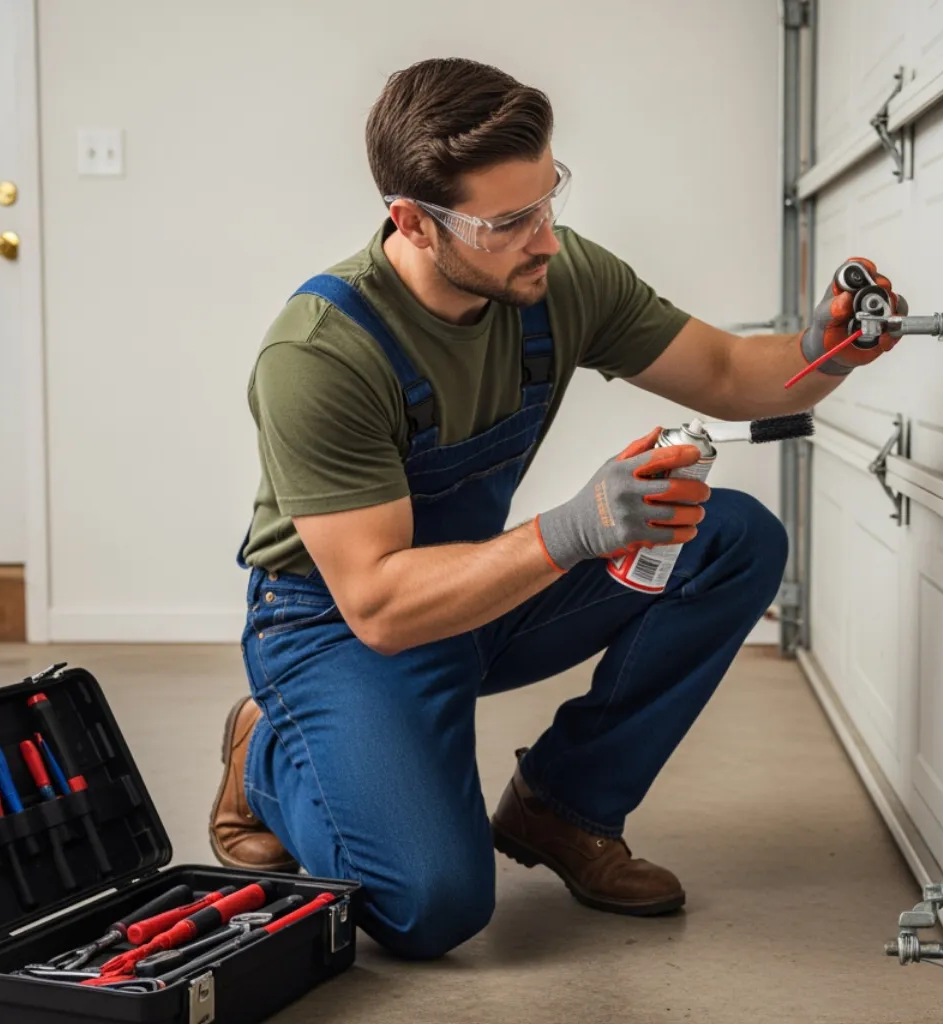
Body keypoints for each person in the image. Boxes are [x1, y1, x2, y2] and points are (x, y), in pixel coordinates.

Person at [209, 57, 903, 960]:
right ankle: (266, 753)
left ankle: (563, 808)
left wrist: (826, 350)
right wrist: (575, 530)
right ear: (412, 221)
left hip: (480, 592)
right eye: (508, 222)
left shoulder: (557, 277)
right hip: (338, 625)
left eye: (548, 199)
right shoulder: (321, 355)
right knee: (435, 908)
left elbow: (732, 376)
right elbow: (378, 603)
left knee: (729, 540)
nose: (544, 238)